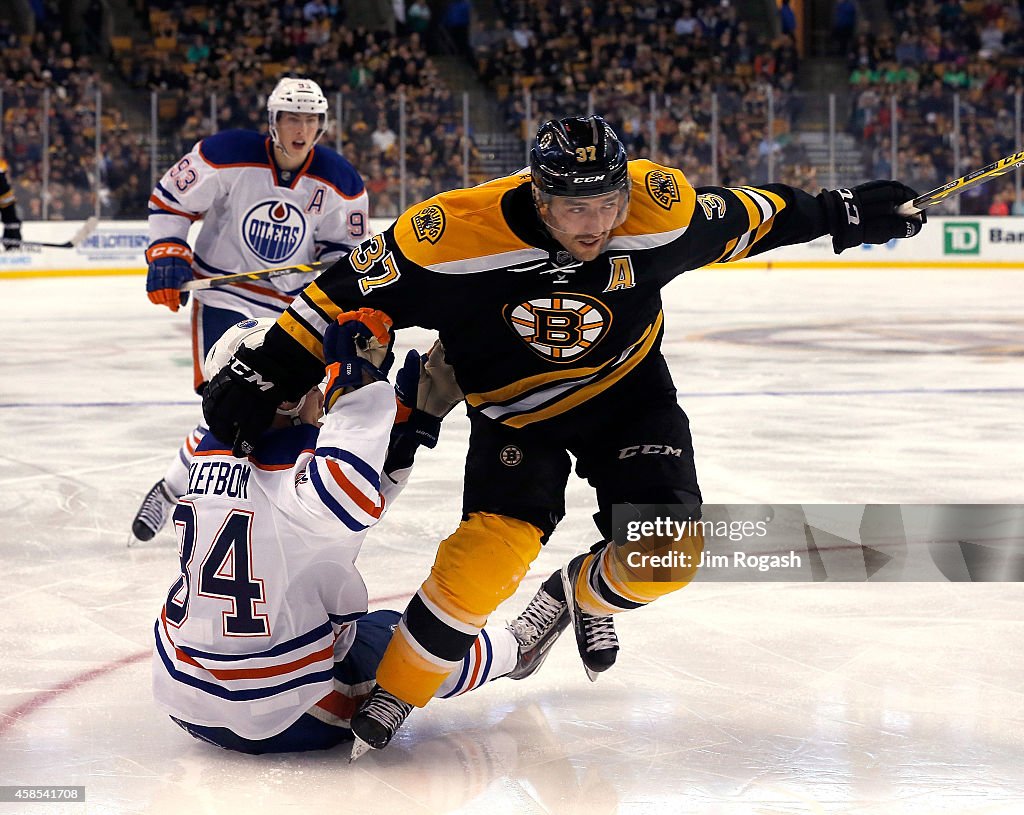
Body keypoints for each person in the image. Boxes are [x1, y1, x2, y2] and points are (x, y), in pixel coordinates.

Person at [199, 115, 925, 756]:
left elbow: (753, 214)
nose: (595, 224)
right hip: (514, 416)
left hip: (628, 397)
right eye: (575, 207)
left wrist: (845, 211)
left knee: (666, 555)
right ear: (539, 196)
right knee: (480, 569)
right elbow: (339, 293)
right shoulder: (451, 231)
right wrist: (266, 366)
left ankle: (579, 593)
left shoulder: (657, 207)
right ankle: (398, 689)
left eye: (607, 203)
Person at [153, 309, 541, 755]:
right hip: (284, 712)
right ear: (286, 400)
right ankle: (515, 650)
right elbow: (347, 497)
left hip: (186, 693)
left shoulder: (212, 453)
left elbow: (331, 506)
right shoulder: (306, 479)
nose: (323, 393)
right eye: (315, 384)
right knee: (413, 644)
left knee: (354, 619)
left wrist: (405, 430)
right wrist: (357, 389)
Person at [131, 77, 370, 545]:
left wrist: (338, 268)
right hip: (225, 295)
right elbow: (169, 200)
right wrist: (166, 253)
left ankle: (222, 496)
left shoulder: (342, 181)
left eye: (310, 120)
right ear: (273, 121)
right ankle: (175, 489)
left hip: (289, 307)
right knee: (230, 398)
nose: (300, 129)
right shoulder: (227, 153)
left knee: (284, 408)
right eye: (291, 118)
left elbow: (349, 250)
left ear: (321, 126)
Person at [0, 156, 23, 249]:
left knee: (11, 219)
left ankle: (12, 242)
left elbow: (6, 179)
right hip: (4, 194)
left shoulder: (2, 163)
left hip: (4, 195)